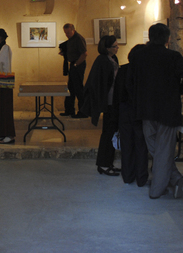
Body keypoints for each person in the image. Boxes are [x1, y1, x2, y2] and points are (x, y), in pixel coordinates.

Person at [127, 23, 183, 199]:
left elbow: (131, 80)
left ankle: (164, 183)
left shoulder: (139, 55)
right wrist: (182, 90)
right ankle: (163, 186)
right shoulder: (172, 56)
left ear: (149, 37)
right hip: (167, 109)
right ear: (167, 38)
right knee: (163, 150)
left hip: (145, 108)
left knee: (157, 148)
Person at [82, 35, 120, 176]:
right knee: (108, 133)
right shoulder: (102, 60)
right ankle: (103, 164)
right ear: (107, 48)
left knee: (111, 133)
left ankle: (108, 163)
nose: (117, 48)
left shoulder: (112, 59)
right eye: (115, 46)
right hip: (108, 102)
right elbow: (99, 83)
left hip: (113, 101)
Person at [116, 46, 149, 186]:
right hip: (141, 111)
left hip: (125, 110)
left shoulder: (123, 70)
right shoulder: (146, 72)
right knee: (141, 145)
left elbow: (118, 94)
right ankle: (141, 178)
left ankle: (128, 175)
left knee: (127, 144)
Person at [60, 23, 87, 118]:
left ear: (73, 30)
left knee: (78, 88)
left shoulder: (78, 38)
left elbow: (84, 54)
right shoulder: (71, 40)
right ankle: (69, 110)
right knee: (71, 88)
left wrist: (76, 64)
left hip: (78, 64)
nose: (67, 35)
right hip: (73, 64)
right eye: (65, 33)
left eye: (68, 32)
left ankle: (83, 112)